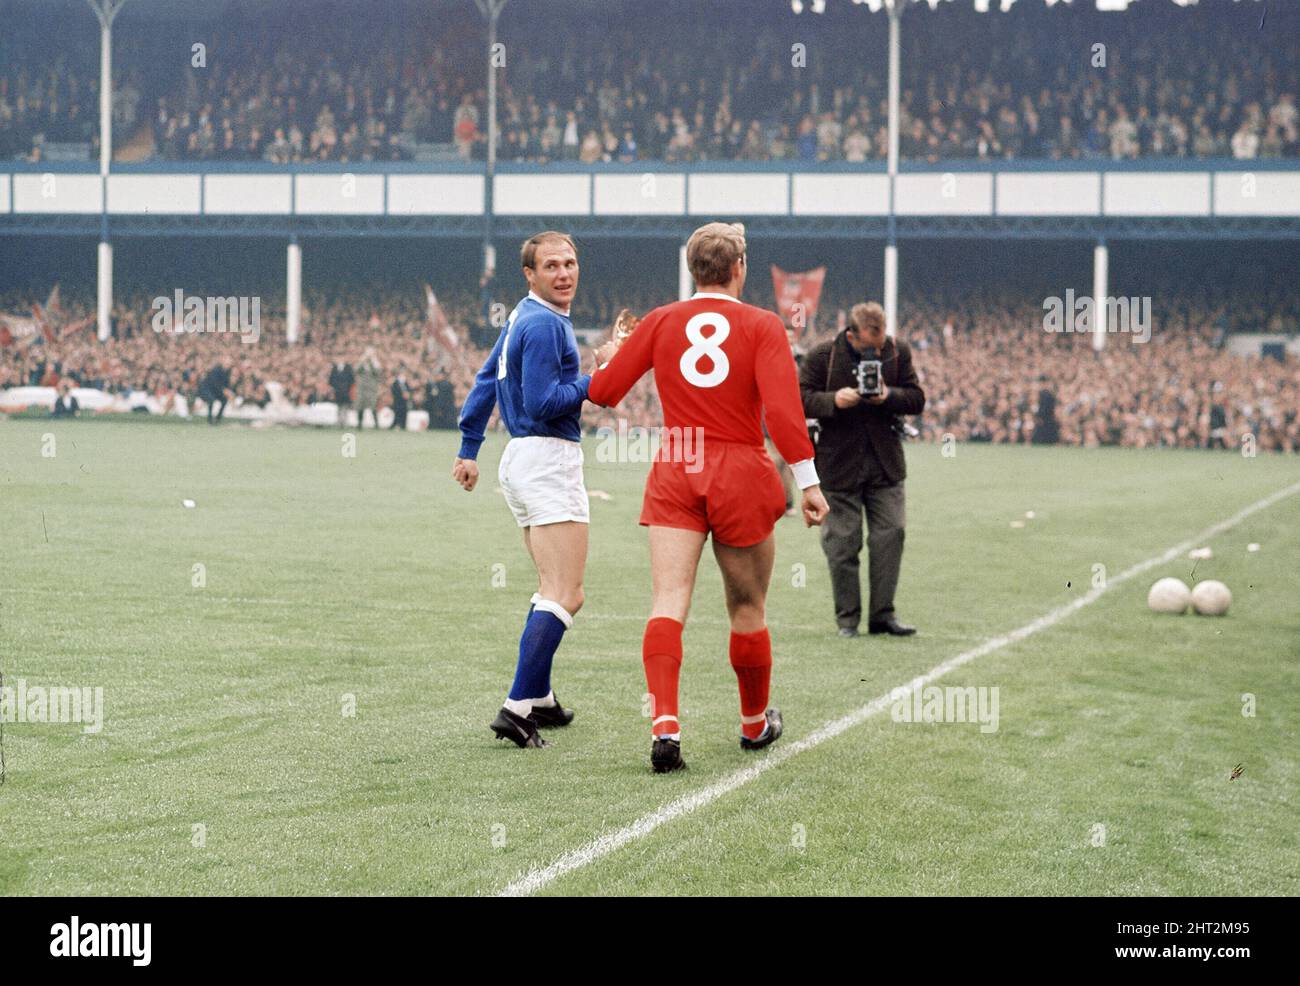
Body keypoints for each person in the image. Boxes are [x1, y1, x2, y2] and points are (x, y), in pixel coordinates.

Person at [588, 221, 829, 773]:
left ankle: (666, 726)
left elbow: (603, 393)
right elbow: (785, 415)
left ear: (693, 269)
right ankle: (752, 724)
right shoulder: (763, 325)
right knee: (746, 605)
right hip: (740, 465)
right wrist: (810, 483)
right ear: (739, 268)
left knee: (668, 600)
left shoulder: (661, 320)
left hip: (679, 463)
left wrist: (609, 357)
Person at [454, 231, 597, 750]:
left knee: (549, 586)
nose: (564, 273)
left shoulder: (523, 315)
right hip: (547, 458)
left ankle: (538, 696)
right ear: (530, 274)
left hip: (523, 459)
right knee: (567, 593)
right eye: (552, 265)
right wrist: (594, 380)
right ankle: (517, 708)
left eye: (571, 263)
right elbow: (542, 402)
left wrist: (469, 446)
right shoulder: (542, 324)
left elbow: (488, 377)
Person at [800, 301, 925, 639]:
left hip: (885, 463)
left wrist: (888, 396)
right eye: (871, 347)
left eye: (881, 345)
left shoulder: (898, 352)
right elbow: (798, 399)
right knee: (842, 544)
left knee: (891, 535)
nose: (877, 352)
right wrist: (833, 401)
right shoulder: (821, 356)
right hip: (839, 464)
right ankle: (847, 620)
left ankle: (883, 615)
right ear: (851, 335)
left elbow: (916, 399)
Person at [198, 358, 234, 425]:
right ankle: (210, 419)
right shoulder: (216, 370)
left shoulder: (228, 372)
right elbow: (214, 383)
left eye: (229, 364)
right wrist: (224, 390)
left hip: (216, 391)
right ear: (222, 363)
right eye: (227, 364)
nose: (228, 365)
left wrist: (229, 391)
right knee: (211, 400)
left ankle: (218, 418)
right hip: (207, 389)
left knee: (224, 400)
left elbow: (227, 384)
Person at [354, 347, 381, 428]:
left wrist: (372, 361)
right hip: (362, 389)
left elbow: (378, 373)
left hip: (372, 389)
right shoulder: (362, 363)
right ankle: (359, 423)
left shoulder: (376, 363)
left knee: (373, 407)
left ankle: (376, 424)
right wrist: (362, 361)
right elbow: (356, 370)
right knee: (360, 407)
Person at [329, 358, 354, 428]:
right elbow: (331, 379)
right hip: (337, 391)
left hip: (346, 391)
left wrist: (347, 387)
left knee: (345, 407)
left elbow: (352, 379)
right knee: (339, 407)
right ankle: (339, 422)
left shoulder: (348, 368)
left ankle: (344, 422)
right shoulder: (334, 368)